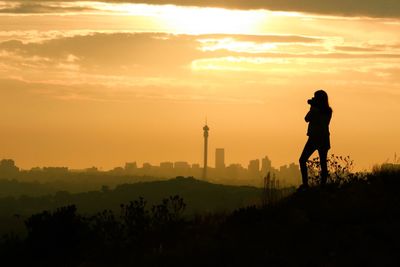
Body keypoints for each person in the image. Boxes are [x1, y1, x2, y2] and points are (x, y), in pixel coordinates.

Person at [299, 90, 332, 189]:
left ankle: (317, 185)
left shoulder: (326, 111)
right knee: (307, 161)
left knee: (320, 163)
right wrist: (313, 108)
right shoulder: (322, 110)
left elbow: (320, 121)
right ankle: (310, 185)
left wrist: (314, 109)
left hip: (318, 139)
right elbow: (307, 119)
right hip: (318, 139)